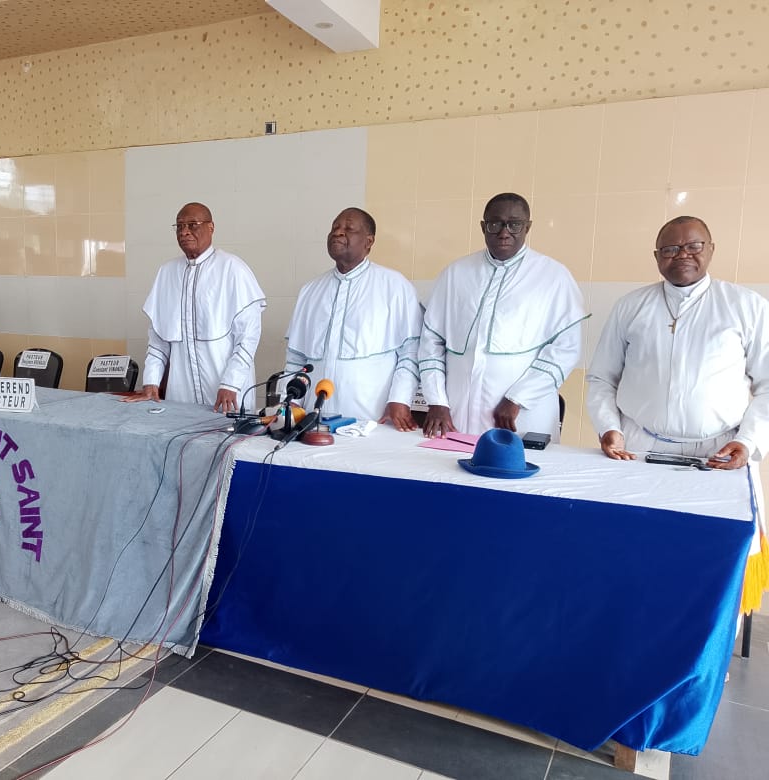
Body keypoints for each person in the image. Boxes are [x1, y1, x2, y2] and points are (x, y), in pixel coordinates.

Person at [586, 215, 769, 612]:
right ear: (657, 257)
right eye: (670, 249)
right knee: (638, 550)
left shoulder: (747, 307)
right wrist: (608, 428)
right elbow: (601, 377)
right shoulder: (631, 306)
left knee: (710, 565)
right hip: (639, 447)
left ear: (711, 250)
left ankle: (706, 643)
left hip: (719, 453)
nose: (682, 255)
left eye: (693, 246)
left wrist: (748, 441)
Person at [419, 193, 586, 440]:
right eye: (495, 224)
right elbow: (431, 340)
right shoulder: (456, 273)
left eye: (514, 224)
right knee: (452, 462)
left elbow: (565, 350)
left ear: (527, 227)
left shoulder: (554, 277)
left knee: (518, 464)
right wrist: (437, 401)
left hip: (522, 414)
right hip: (455, 411)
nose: (504, 232)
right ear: (483, 227)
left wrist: (517, 398)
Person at [284, 207, 422, 430]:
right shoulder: (310, 290)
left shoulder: (395, 286)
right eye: (335, 228)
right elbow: (296, 358)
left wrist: (400, 399)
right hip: (312, 417)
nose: (338, 233)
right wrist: (290, 402)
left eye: (349, 229)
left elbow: (410, 352)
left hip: (372, 416)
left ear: (369, 241)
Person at [127, 202, 266, 412]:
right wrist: (151, 382)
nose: (184, 232)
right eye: (179, 226)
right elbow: (158, 340)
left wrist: (231, 383)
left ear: (211, 227)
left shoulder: (233, 269)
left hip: (226, 393)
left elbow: (248, 338)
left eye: (193, 225)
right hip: (181, 392)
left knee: (226, 432)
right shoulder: (167, 273)